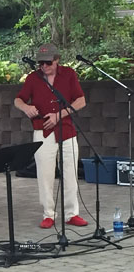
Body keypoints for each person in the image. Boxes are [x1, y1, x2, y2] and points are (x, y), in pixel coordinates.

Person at [14, 43, 88, 229]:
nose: (44, 66)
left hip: (67, 131)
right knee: (44, 175)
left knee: (70, 173)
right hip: (42, 131)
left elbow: (80, 101)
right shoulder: (33, 78)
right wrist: (26, 107)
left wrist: (59, 115)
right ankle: (48, 214)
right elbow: (18, 99)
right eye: (41, 63)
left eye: (48, 63)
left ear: (57, 60)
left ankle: (72, 214)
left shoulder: (69, 74)